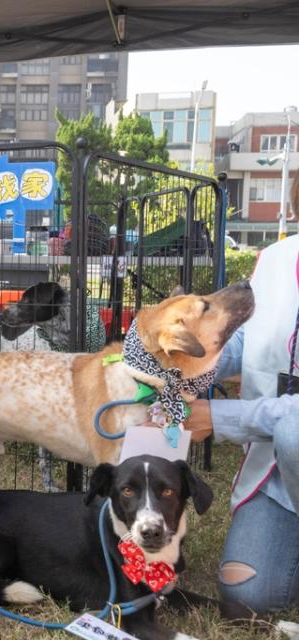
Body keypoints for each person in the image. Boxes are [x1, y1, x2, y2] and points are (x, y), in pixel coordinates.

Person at [185, 179, 299, 615]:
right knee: (247, 597)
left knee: (293, 431)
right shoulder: (275, 259)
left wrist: (218, 415)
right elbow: (246, 337)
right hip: (276, 471)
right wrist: (195, 367)